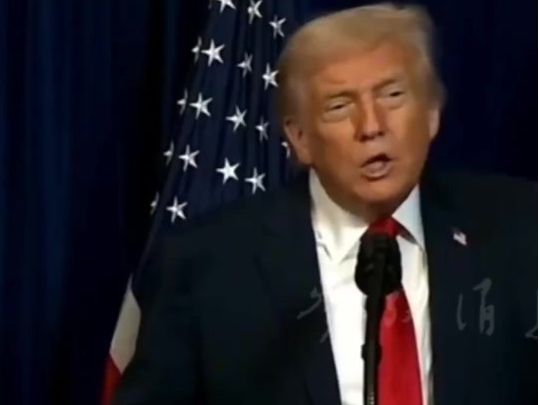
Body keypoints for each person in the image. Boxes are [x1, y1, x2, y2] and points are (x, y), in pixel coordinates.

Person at [114, 4, 537, 405]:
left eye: (392, 95)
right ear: (299, 138)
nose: (371, 127)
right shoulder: (206, 267)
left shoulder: (520, 228)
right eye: (339, 107)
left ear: (431, 113)